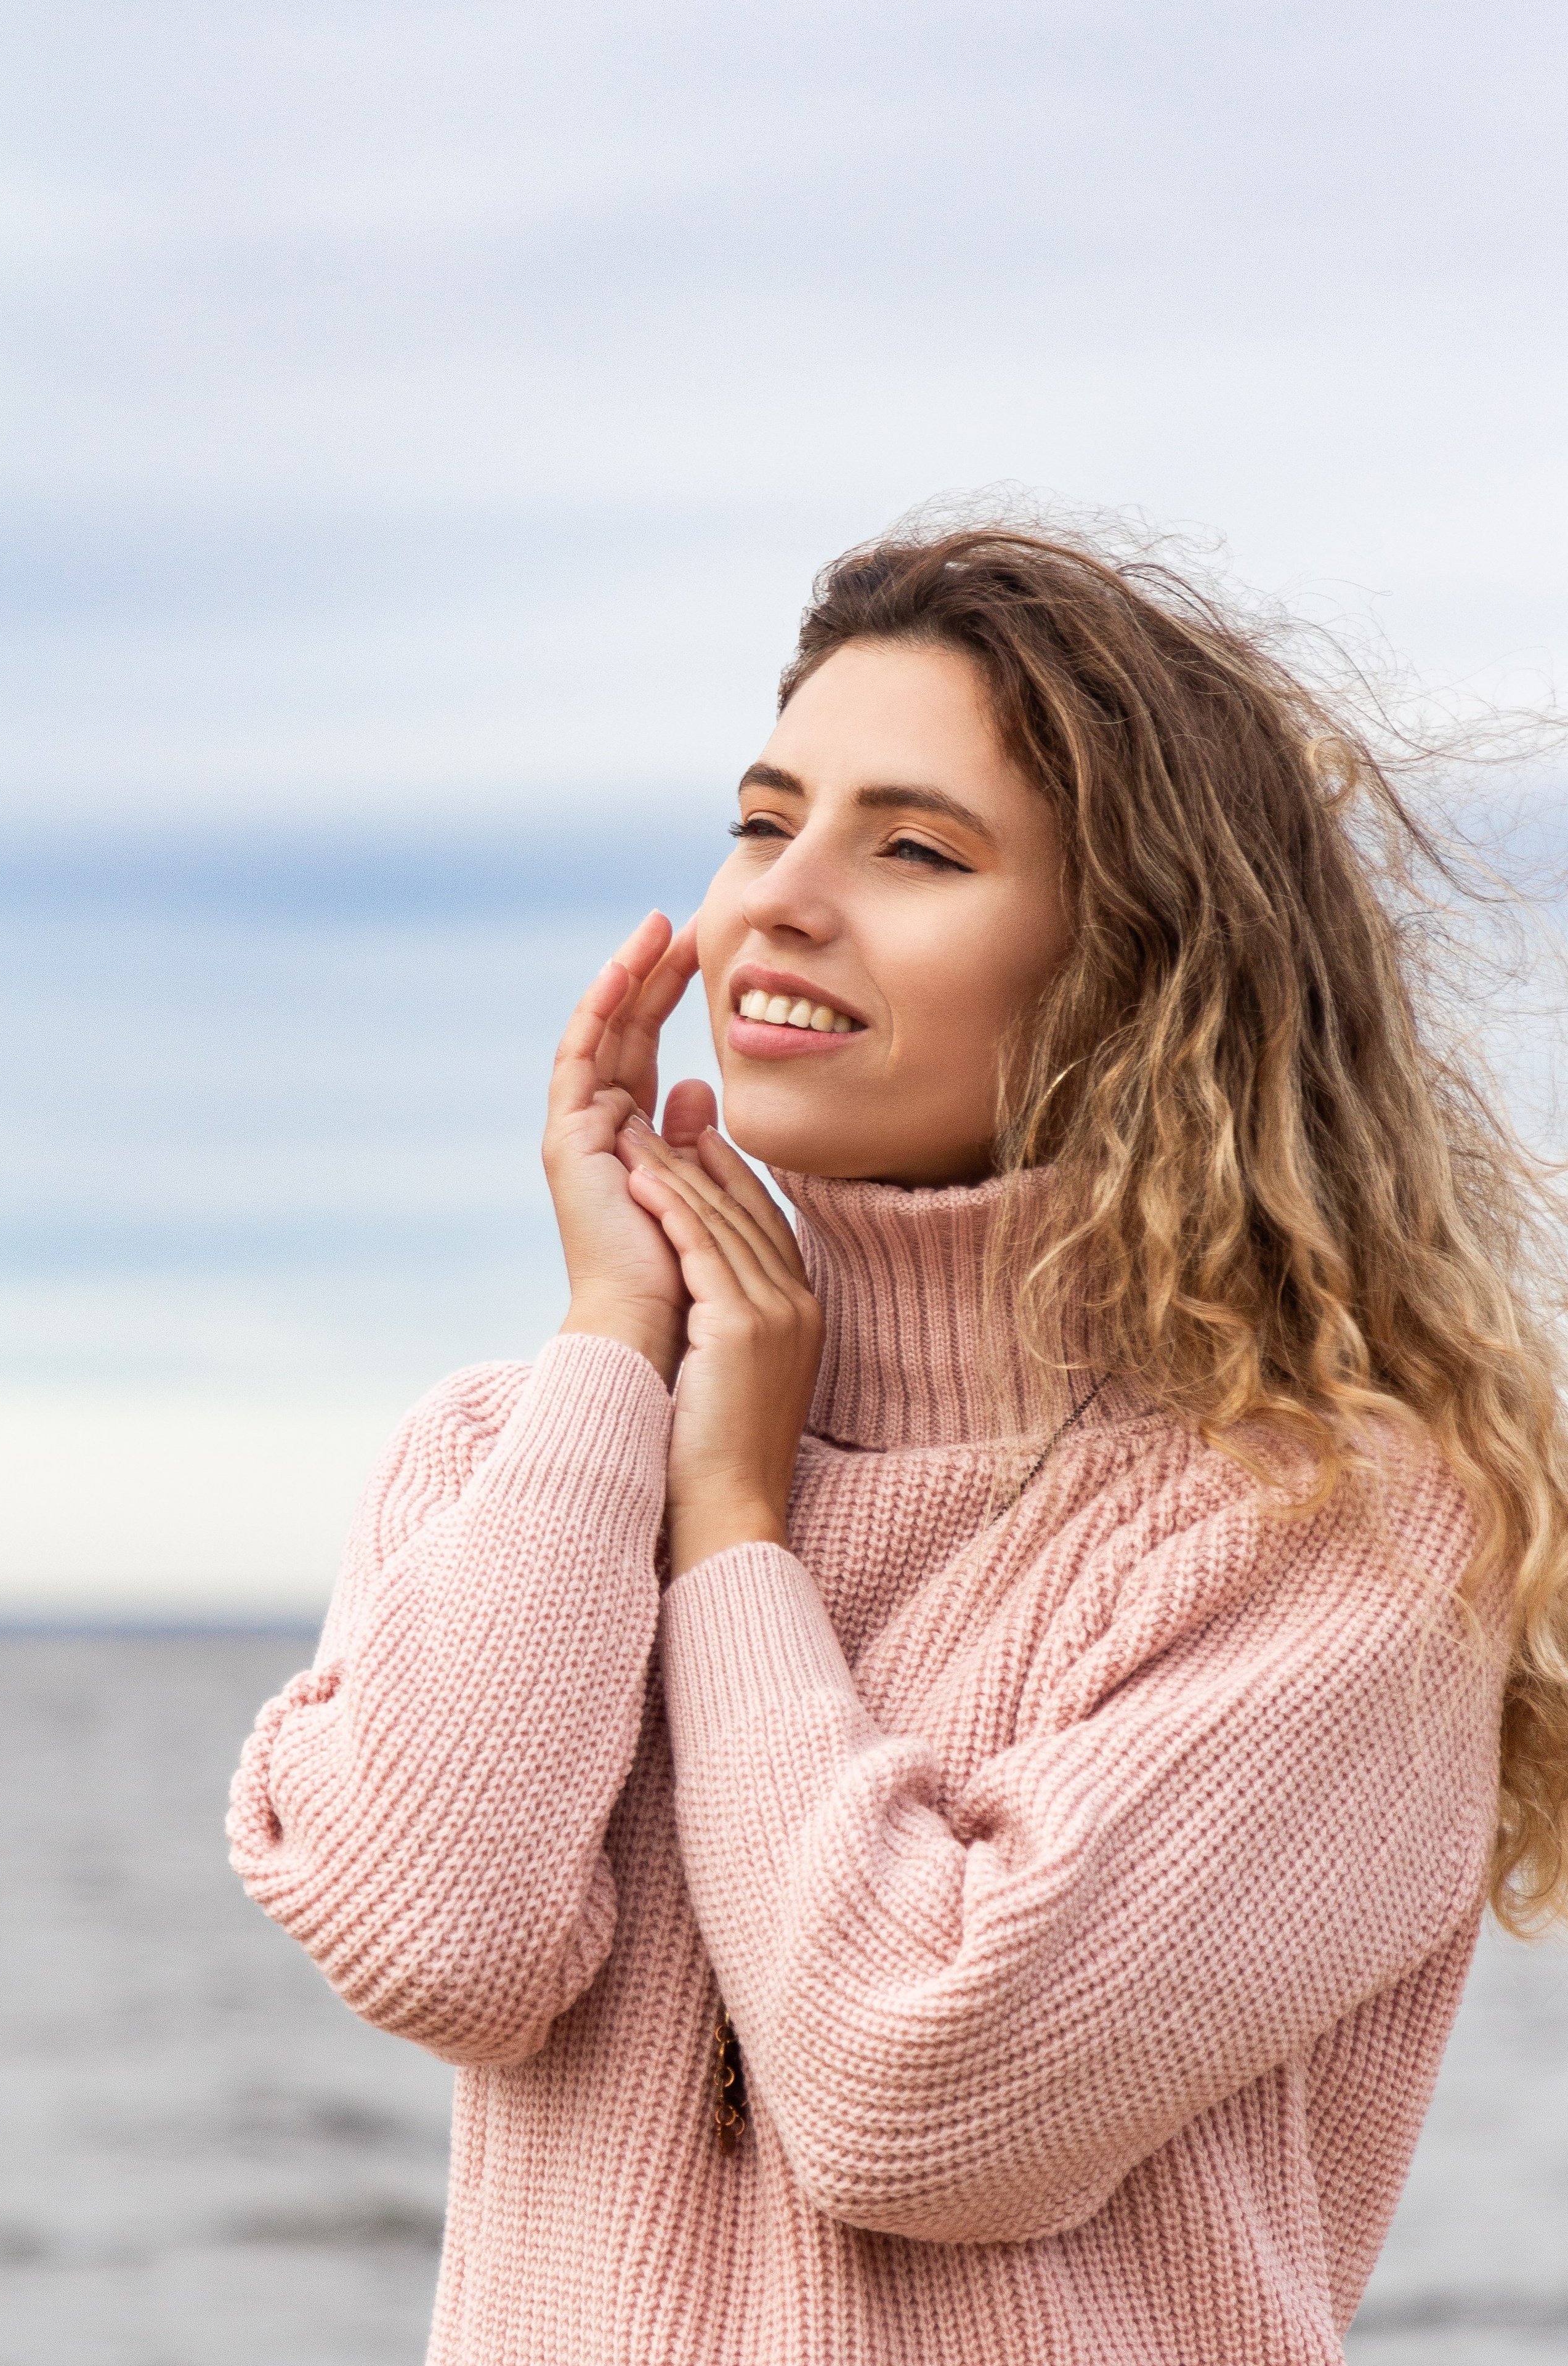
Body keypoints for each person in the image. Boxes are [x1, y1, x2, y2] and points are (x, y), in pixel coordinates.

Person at [229, 522, 1568, 2366]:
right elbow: (437, 1933)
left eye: (915, 848)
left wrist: (733, 1529)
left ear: (1138, 969)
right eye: (765, 820)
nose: (780, 897)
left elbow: (915, 2089)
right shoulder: (508, 1452)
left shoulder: (1338, 1528)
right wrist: (621, 1348)